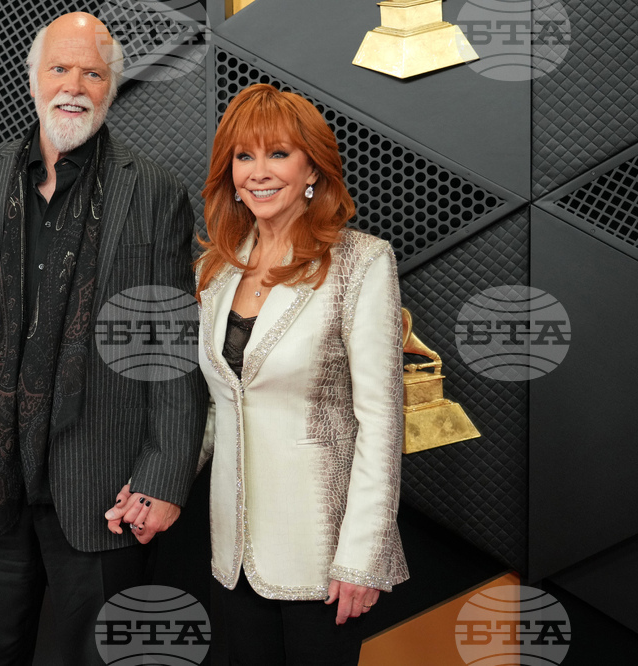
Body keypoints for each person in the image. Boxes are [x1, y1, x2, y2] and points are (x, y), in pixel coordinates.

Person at [0, 12, 207, 665]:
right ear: (34, 79)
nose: (75, 84)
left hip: (105, 486)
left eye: (93, 72)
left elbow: (173, 348)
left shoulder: (154, 190)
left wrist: (164, 473)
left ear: (111, 86)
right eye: (60, 68)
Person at [194, 83, 409, 664]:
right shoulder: (216, 270)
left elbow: (382, 421)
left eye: (277, 154)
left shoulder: (361, 262)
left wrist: (361, 556)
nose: (258, 173)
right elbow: (220, 406)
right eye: (243, 157)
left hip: (324, 556)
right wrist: (158, 477)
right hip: (232, 554)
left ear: (312, 165)